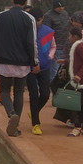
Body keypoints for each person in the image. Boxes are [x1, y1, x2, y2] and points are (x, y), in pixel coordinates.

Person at [0, 0, 39, 136]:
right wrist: (34, 62)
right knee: (19, 92)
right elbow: (32, 43)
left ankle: (11, 114)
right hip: (22, 62)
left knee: (4, 91)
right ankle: (15, 127)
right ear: (26, 2)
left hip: (4, 60)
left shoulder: (0, 16)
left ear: (12, 0)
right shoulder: (29, 19)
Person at [27, 7, 54, 135]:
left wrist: (50, 56)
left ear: (42, 19)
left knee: (45, 94)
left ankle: (34, 111)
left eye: (38, 20)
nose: (36, 23)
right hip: (30, 68)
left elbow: (53, 47)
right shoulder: (25, 32)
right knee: (33, 95)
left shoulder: (48, 32)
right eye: (34, 20)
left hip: (44, 67)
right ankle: (36, 123)